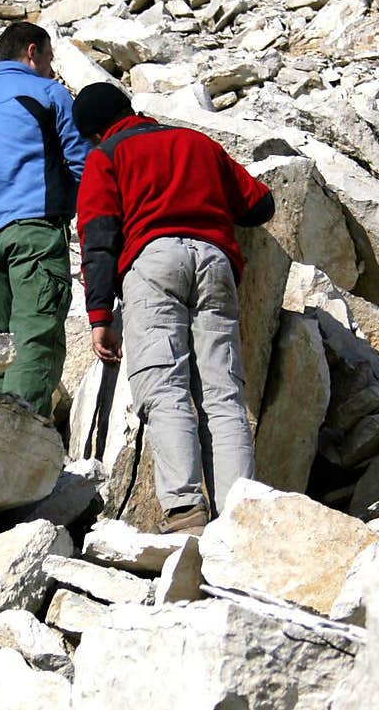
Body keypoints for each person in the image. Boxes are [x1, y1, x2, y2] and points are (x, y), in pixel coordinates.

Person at [73, 82, 275, 536]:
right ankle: (240, 516)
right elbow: (260, 204)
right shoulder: (198, 142)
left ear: (93, 132)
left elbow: (99, 236)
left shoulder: (105, 157)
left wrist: (100, 317)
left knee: (164, 388)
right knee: (223, 393)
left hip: (153, 263)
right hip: (215, 263)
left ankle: (185, 512)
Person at [0, 23, 90, 418]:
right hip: (36, 232)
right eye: (48, 59)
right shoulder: (47, 93)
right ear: (32, 52)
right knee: (35, 340)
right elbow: (81, 162)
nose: (50, 68)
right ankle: (22, 446)